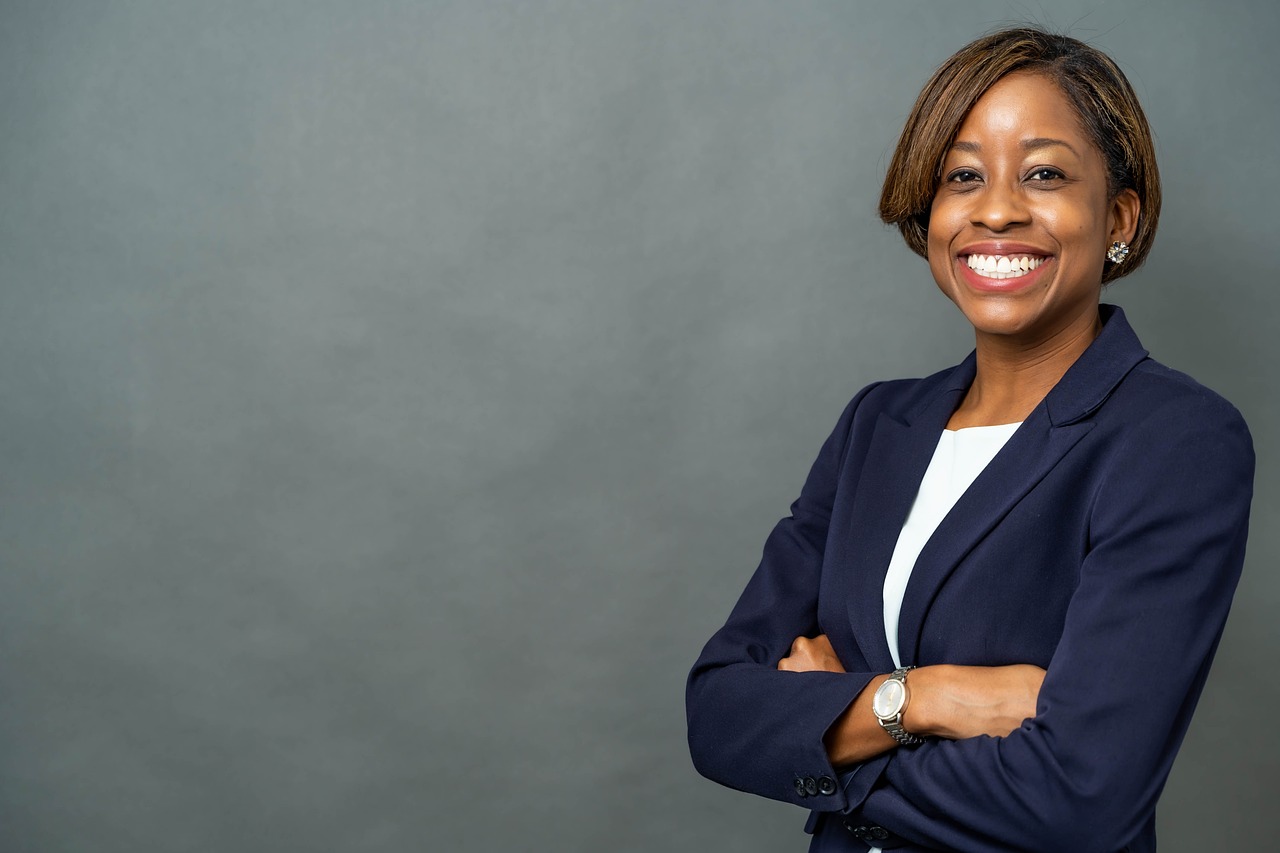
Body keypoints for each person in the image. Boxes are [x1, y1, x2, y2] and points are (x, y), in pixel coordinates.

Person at [685, 27, 1254, 853]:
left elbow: (1082, 798)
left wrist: (829, 721)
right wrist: (926, 699)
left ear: (1119, 214)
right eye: (962, 176)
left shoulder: (1174, 440)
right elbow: (718, 714)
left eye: (1044, 173)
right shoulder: (877, 425)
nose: (995, 209)